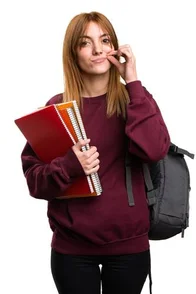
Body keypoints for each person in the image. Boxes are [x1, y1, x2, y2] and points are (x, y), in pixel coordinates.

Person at [20, 11, 170, 294]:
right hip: (71, 249)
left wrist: (134, 81)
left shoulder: (136, 98)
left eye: (105, 39)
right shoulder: (57, 109)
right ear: (73, 53)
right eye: (86, 42)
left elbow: (155, 150)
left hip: (129, 245)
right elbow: (34, 181)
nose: (99, 49)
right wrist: (69, 165)